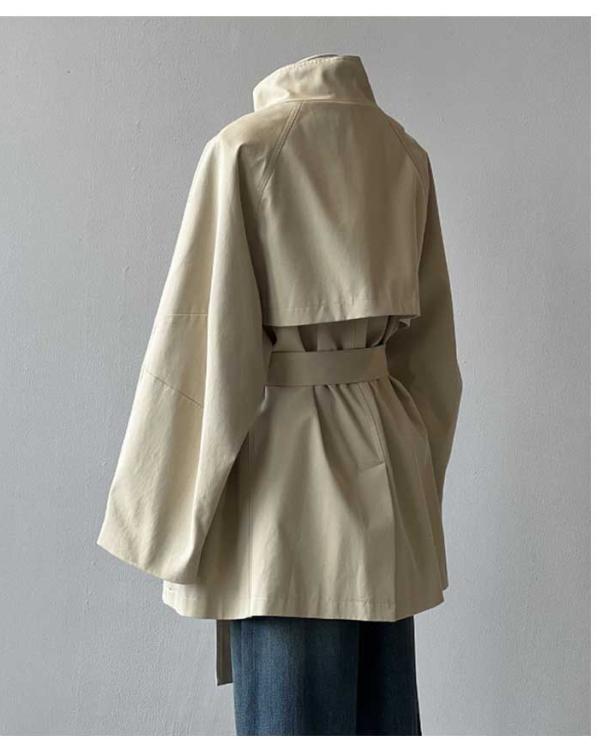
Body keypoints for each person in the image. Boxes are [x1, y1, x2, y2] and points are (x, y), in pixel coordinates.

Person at [97, 53, 462, 736]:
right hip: (386, 479)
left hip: (286, 488)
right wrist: (417, 492)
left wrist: (157, 516)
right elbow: (432, 361)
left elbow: (207, 341)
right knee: (379, 721)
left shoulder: (244, 148)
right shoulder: (405, 155)